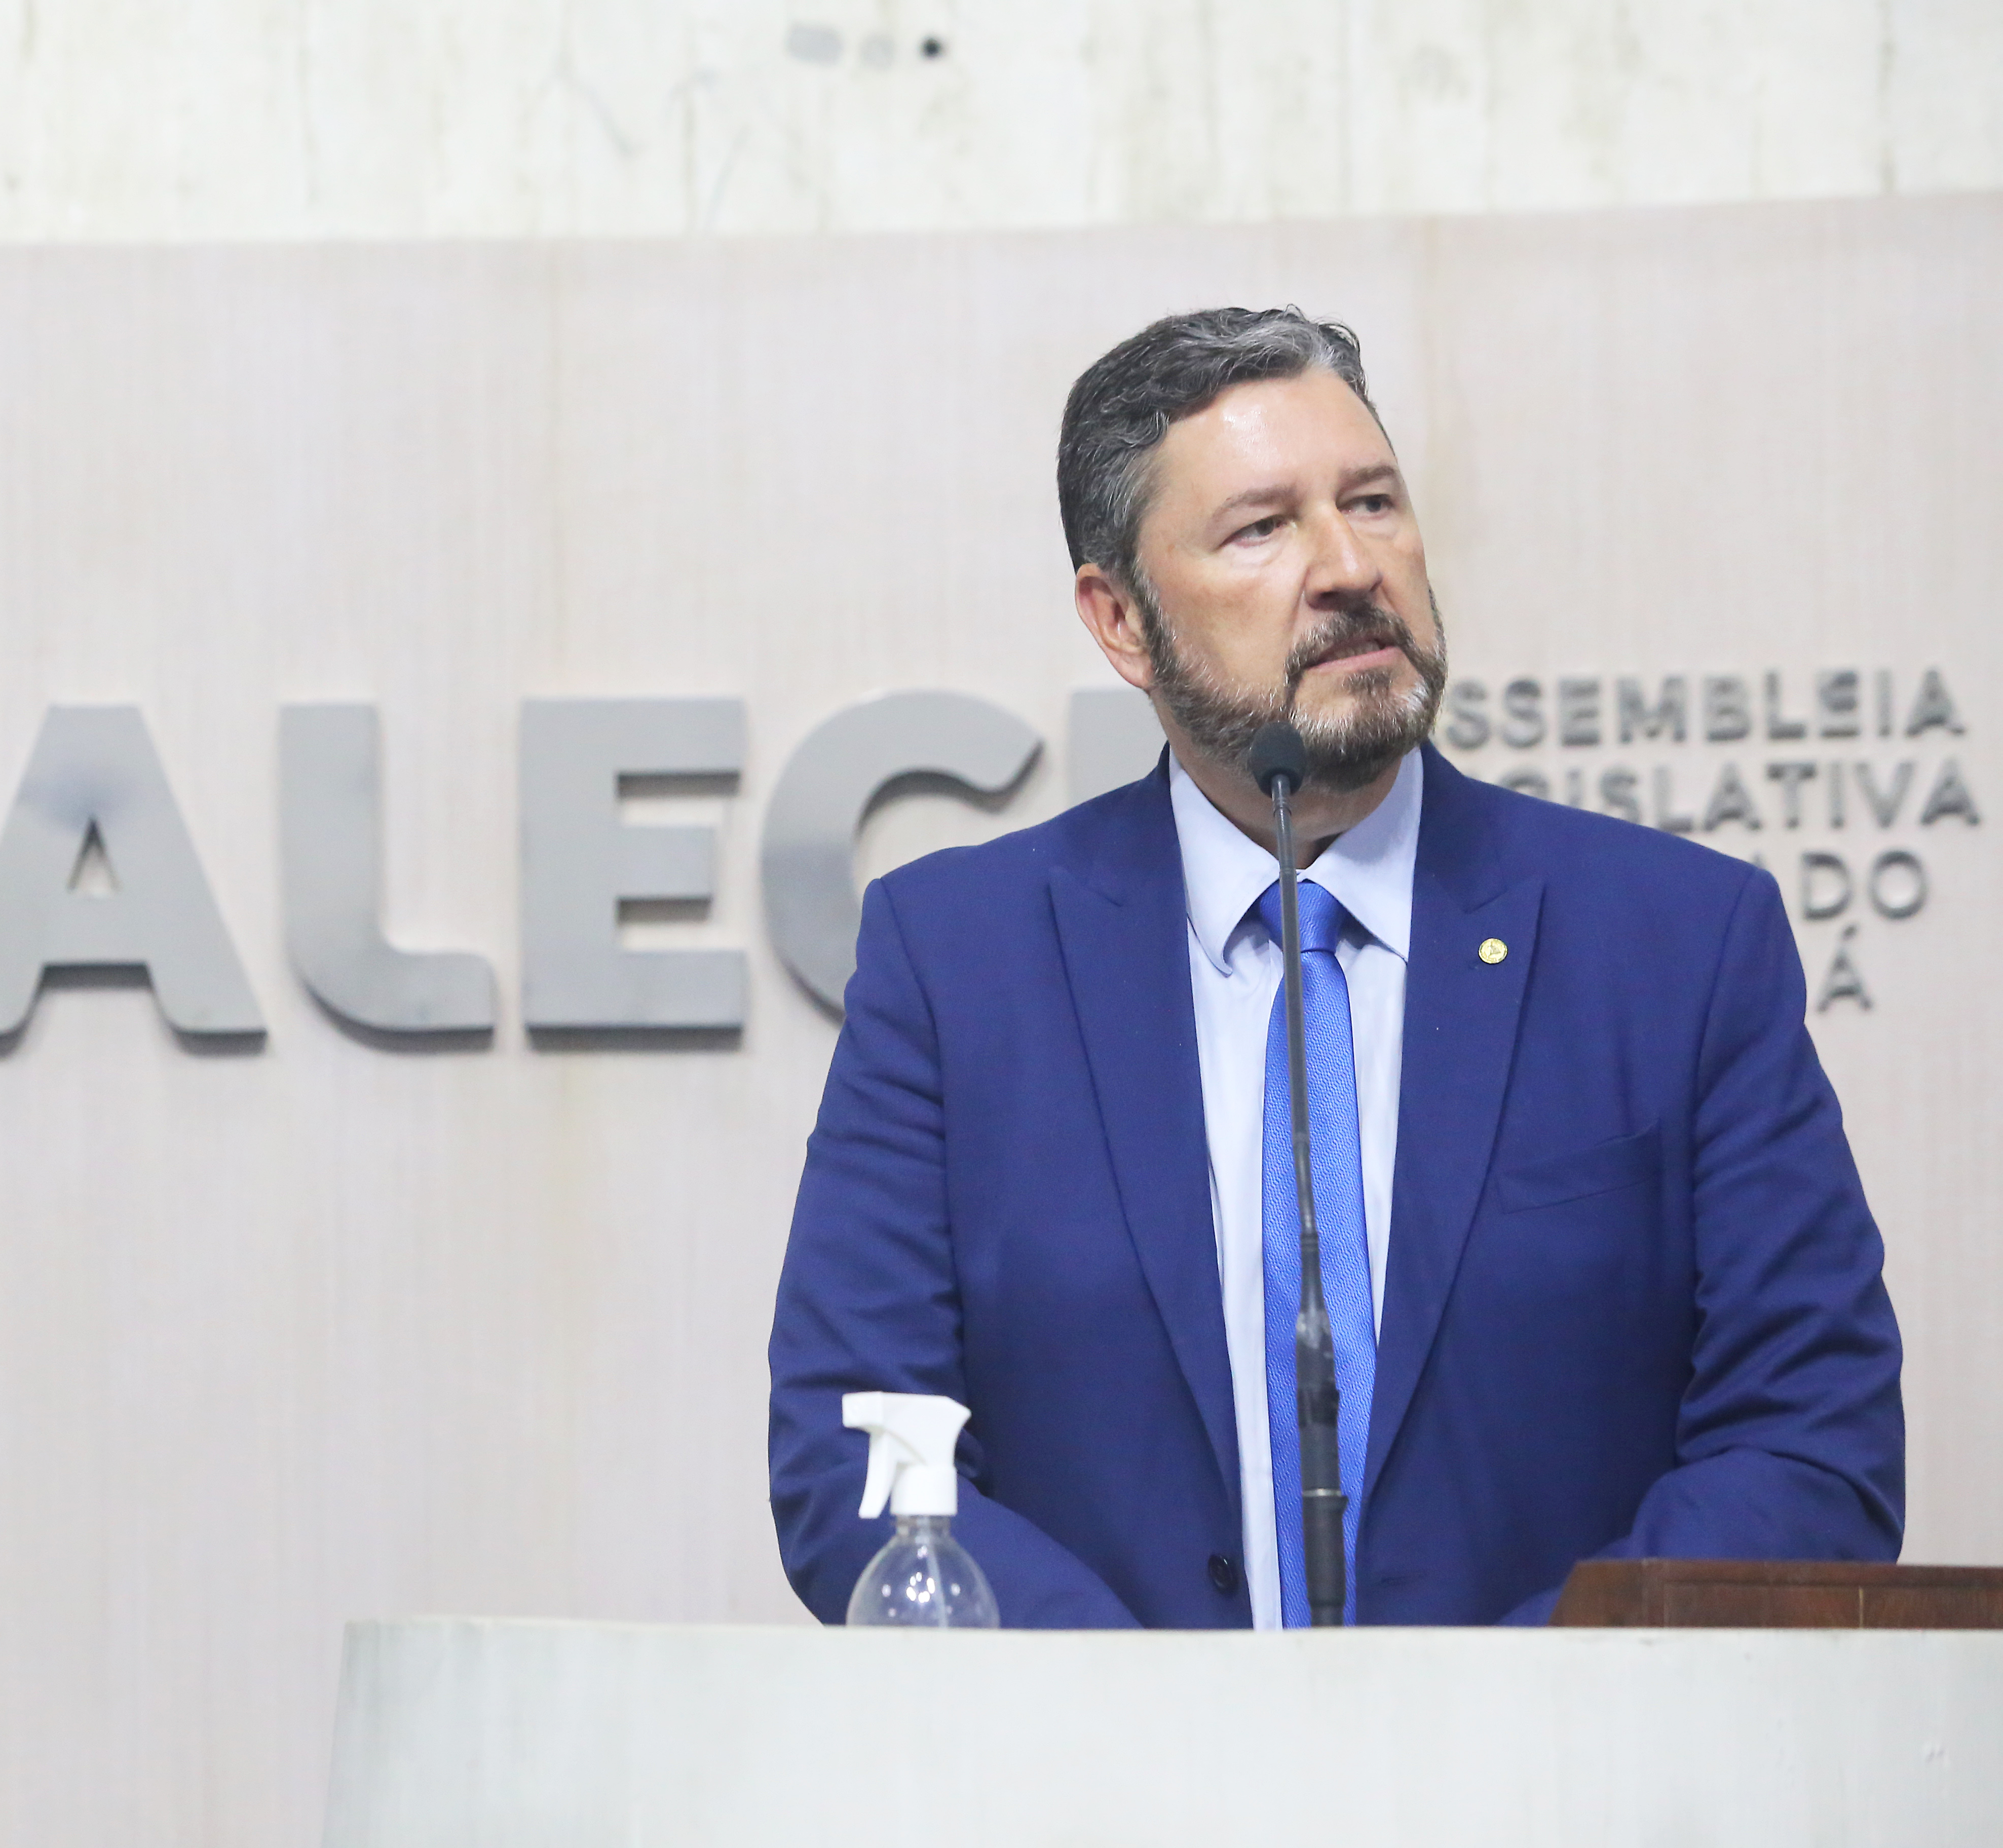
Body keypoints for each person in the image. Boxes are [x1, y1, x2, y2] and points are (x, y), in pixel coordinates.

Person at [766, 306, 1903, 1628]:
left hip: (1565, 1752)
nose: (1351, 567)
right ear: (1121, 621)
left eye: (1373, 502)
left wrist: (1507, 1713)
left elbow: (1809, 1446)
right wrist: (1151, 1726)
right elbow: (858, 1455)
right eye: (1262, 528)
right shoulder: (958, 964)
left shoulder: (1679, 943)